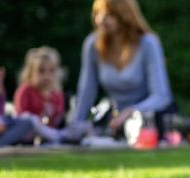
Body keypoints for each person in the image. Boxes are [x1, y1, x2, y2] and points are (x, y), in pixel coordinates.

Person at [72, 0, 174, 141]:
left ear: (124, 16)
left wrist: (132, 111)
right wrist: (75, 125)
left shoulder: (148, 43)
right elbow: (86, 91)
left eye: (109, 14)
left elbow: (161, 96)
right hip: (114, 117)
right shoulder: (93, 45)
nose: (101, 19)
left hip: (149, 118)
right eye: (98, 13)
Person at [14, 46, 67, 144]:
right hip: (28, 134)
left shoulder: (57, 94)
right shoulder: (25, 91)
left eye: (51, 71)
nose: (46, 76)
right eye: (41, 71)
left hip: (49, 134)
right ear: (30, 72)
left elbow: (58, 117)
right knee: (30, 119)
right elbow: (21, 116)